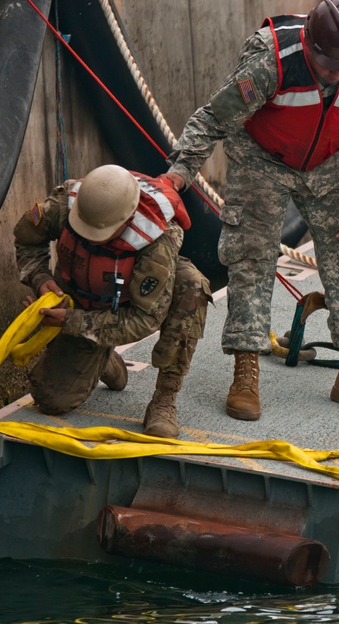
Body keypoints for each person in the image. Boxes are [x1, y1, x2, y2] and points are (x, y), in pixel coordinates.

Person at [161, 0, 339, 421]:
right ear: (309, 44)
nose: (335, 75)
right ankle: (245, 372)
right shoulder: (271, 60)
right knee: (250, 258)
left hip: (330, 161)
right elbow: (212, 119)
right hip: (262, 159)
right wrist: (181, 172)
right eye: (327, 64)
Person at [13, 165, 210, 439]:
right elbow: (26, 240)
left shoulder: (156, 242)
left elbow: (145, 319)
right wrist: (40, 278)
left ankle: (165, 399)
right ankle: (103, 359)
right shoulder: (67, 203)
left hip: (133, 302)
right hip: (81, 299)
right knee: (51, 400)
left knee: (192, 286)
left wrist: (71, 322)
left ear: (127, 219)